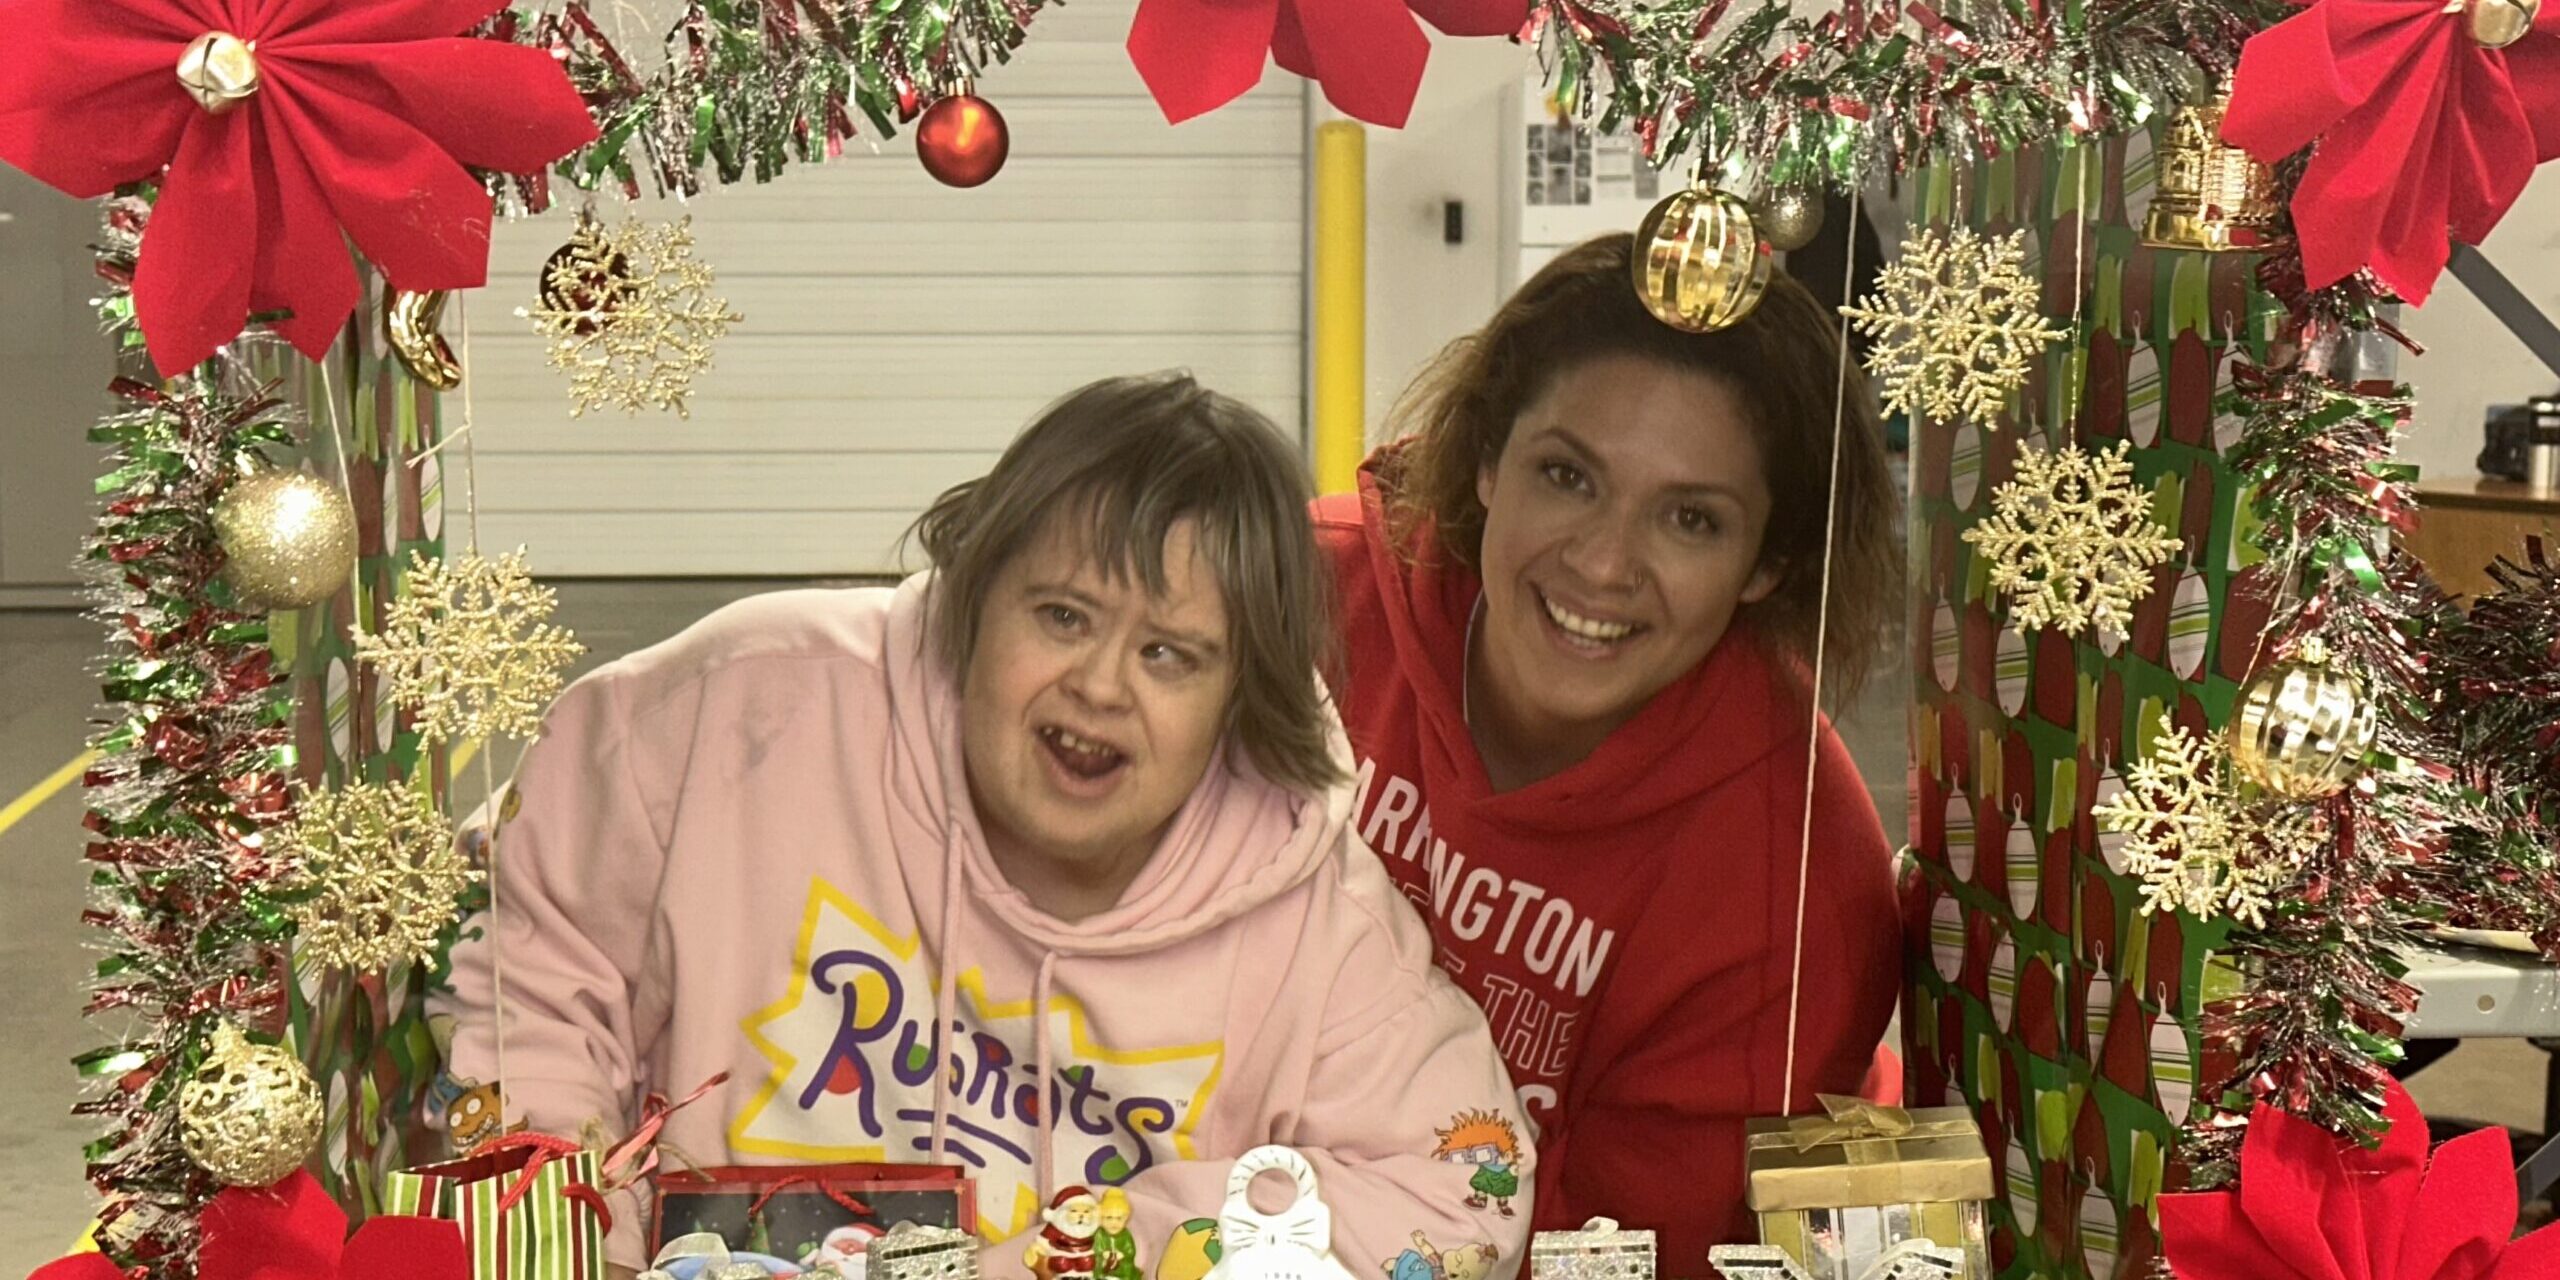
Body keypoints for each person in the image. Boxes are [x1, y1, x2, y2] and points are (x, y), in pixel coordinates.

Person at [434, 374, 1533, 1279]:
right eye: (1062, 614)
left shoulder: (1305, 900)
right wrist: (585, 1244)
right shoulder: (748, 701)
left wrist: (1116, 1249)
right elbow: (520, 952)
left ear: (1236, 698)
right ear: (972, 593)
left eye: (1168, 654)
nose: (1100, 684)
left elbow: (1458, 1197)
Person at [1314, 235, 1904, 1270]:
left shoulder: (1799, 882)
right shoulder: (1297, 601)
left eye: (1688, 518)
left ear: (1766, 561)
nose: (1601, 562)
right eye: (1567, 476)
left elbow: (1627, 1248)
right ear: (1488, 458)